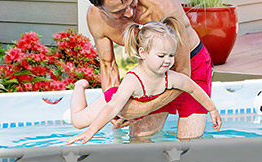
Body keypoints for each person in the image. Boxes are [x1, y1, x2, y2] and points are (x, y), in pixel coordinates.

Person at [82, 0, 214, 140]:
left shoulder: (162, 6)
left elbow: (184, 72)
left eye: (132, 2)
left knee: (188, 142)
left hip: (191, 66)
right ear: (100, 8)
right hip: (151, 76)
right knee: (138, 139)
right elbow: (107, 66)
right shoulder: (96, 19)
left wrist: (145, 108)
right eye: (119, 11)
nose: (129, 13)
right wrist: (117, 109)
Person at [67, 21, 221, 145]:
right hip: (115, 98)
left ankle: (116, 125)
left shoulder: (170, 77)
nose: (168, 61)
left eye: (171, 55)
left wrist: (212, 109)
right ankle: (79, 86)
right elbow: (113, 107)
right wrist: (92, 130)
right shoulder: (133, 79)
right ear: (143, 53)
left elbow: (194, 88)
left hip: (137, 102)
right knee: (78, 121)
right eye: (161, 55)